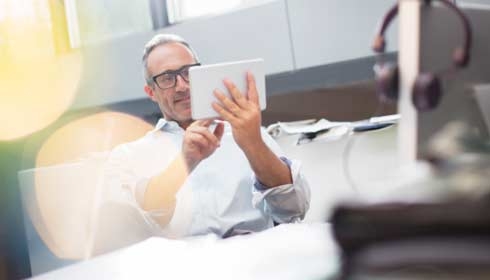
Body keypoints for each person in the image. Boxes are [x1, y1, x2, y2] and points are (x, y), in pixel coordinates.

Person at [102, 34, 310, 240]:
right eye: (167, 78)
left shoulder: (247, 132)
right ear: (151, 92)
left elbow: (294, 209)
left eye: (188, 72)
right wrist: (183, 163)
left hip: (256, 259)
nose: (182, 85)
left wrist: (253, 143)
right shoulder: (129, 155)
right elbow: (130, 231)